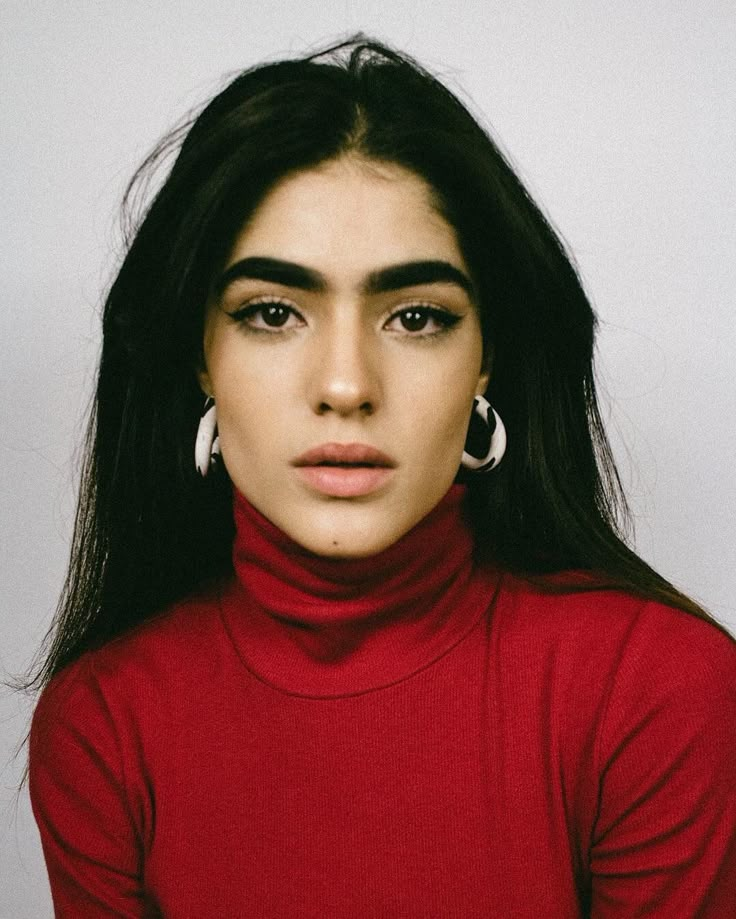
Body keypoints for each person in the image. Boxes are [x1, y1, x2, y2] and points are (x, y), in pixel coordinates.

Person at [25, 36, 736, 917]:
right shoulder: (105, 722)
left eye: (417, 317)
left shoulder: (657, 690)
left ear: (487, 361)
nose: (347, 386)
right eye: (273, 313)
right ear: (199, 359)